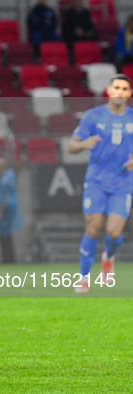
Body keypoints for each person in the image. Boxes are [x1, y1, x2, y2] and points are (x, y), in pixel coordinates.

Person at [68, 74, 133, 293]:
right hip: (96, 181)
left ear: (129, 93)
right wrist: (85, 143)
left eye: (125, 89)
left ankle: (109, 257)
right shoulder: (93, 116)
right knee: (93, 227)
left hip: (123, 183)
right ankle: (84, 278)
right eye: (116, 87)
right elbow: (71, 146)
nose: (120, 92)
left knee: (114, 233)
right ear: (109, 90)